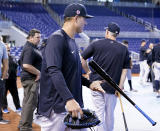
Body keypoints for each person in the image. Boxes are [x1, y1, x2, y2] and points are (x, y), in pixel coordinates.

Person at [37, 3, 104, 131]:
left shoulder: (71, 41)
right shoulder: (57, 38)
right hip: (57, 108)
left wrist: (89, 84)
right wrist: (69, 99)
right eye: (84, 19)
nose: (86, 23)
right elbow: (54, 70)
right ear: (76, 18)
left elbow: (73, 72)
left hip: (73, 106)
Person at [81, 22, 130, 131]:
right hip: (113, 87)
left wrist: (88, 72)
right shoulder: (123, 49)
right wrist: (120, 87)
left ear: (107, 31)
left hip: (96, 85)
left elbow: (82, 59)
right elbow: (125, 70)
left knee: (99, 113)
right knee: (109, 115)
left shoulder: (96, 43)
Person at [18, 29, 42, 131]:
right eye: (37, 37)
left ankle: (22, 124)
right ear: (31, 37)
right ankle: (25, 127)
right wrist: (38, 72)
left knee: (27, 102)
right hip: (31, 79)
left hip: (29, 78)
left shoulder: (32, 47)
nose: (39, 39)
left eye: (40, 37)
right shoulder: (29, 48)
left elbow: (20, 61)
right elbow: (26, 65)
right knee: (30, 103)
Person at [2, 43, 21, 114]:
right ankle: (4, 108)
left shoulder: (13, 57)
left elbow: (16, 67)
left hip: (13, 79)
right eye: (7, 49)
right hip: (4, 80)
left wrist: (15, 75)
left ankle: (18, 107)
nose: (8, 50)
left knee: (15, 94)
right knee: (4, 95)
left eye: (9, 48)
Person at [0, 36, 9, 124]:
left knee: (1, 97)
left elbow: (5, 61)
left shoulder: (2, 45)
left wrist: (4, 73)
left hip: (0, 77)